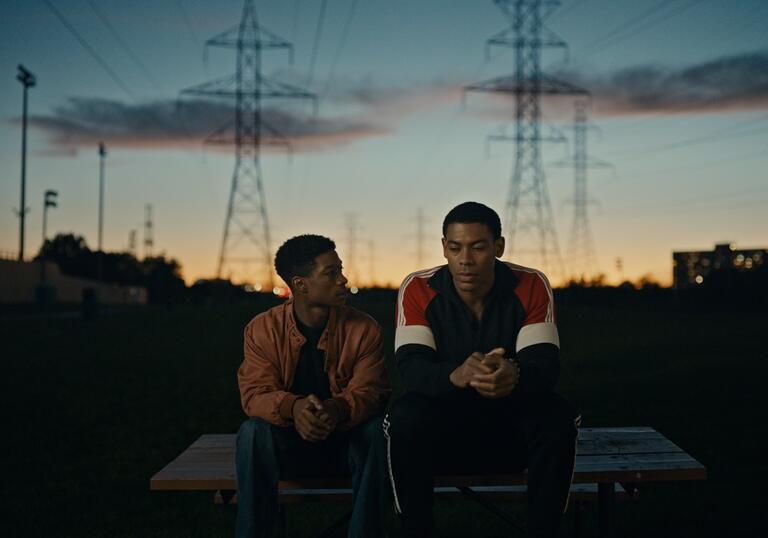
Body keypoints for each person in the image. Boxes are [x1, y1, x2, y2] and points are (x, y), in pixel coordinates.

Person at [384, 202, 579, 538]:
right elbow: (411, 369)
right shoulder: (418, 287)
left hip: (509, 418)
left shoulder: (531, 283)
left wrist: (513, 374)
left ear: (498, 247)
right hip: (445, 421)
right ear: (444, 247)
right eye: (455, 247)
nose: (465, 259)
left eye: (478, 247)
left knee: (557, 416)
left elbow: (544, 366)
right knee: (403, 417)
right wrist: (455, 375)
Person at [236, 234, 390, 538]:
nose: (343, 279)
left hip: (345, 443)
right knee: (252, 433)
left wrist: (335, 409)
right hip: (288, 445)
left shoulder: (364, 328)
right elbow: (255, 393)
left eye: (340, 269)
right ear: (300, 284)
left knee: (377, 432)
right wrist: (293, 408)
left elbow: (372, 392)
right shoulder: (262, 329)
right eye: (330, 273)